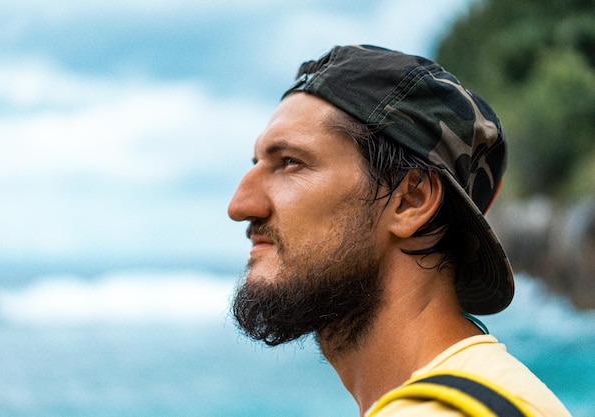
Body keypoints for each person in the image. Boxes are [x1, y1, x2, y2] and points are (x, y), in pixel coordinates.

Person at [227, 45, 571, 416]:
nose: (240, 206)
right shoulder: (494, 391)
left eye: (291, 163)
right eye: (257, 164)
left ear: (411, 200)